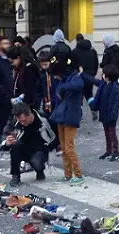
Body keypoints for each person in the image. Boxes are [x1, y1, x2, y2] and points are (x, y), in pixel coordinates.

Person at [49, 56, 84, 184]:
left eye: (56, 75)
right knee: (63, 148)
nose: (55, 78)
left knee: (69, 147)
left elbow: (79, 84)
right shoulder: (62, 80)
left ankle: (78, 174)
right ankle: (68, 174)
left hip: (70, 117)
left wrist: (62, 88)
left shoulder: (74, 78)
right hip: (61, 116)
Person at [6, 102, 56, 186]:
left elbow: (54, 136)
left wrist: (50, 148)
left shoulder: (43, 120)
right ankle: (15, 176)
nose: (22, 123)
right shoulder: (15, 122)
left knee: (37, 162)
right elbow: (6, 134)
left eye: (24, 120)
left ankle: (39, 170)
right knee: (15, 146)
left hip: (40, 149)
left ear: (29, 114)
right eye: (20, 121)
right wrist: (7, 143)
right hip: (24, 147)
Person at [81, 63, 119, 161]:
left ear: (108, 76)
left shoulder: (115, 88)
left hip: (110, 116)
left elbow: (116, 104)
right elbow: (93, 80)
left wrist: (113, 116)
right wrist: (83, 74)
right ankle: (109, 150)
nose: (101, 75)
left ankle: (115, 153)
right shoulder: (103, 84)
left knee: (112, 135)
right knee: (107, 134)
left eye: (103, 74)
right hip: (104, 114)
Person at [72, 34, 98, 118]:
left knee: (79, 96)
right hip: (90, 76)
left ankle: (80, 115)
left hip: (79, 76)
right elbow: (96, 63)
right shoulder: (92, 51)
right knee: (89, 95)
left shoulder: (75, 51)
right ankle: (93, 108)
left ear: (77, 40)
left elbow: (71, 63)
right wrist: (93, 73)